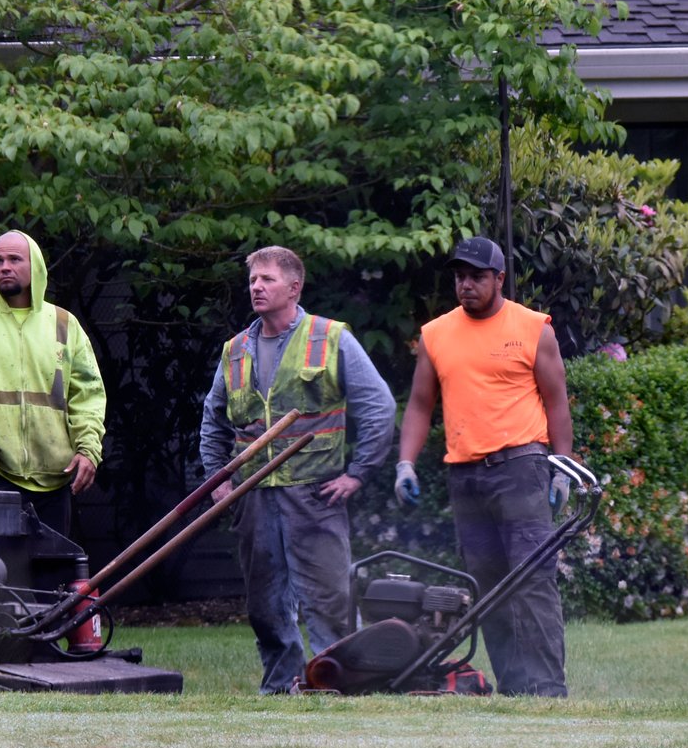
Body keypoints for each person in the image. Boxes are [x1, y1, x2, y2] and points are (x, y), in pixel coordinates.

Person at [200, 246, 396, 694]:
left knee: (329, 597)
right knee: (264, 604)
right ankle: (282, 682)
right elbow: (213, 419)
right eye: (253, 279)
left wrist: (358, 473)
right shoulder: (235, 351)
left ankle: (340, 682)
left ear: (294, 287)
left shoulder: (329, 338)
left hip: (315, 496)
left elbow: (379, 406)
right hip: (252, 496)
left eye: (267, 279)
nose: (256, 286)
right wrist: (218, 477)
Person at [395, 236, 574, 697]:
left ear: (499, 278)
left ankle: (549, 691)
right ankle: (515, 690)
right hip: (466, 475)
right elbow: (419, 405)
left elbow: (557, 404)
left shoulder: (534, 328)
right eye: (459, 276)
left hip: (522, 466)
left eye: (476, 276)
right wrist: (405, 465)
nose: (466, 285)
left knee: (533, 580)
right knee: (488, 587)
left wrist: (562, 468)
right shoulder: (436, 334)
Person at [0, 230, 106, 536]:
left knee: (51, 577)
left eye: (14, 259)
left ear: (34, 266)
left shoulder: (64, 324)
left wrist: (88, 449)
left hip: (55, 477)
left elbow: (87, 395)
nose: (4, 267)